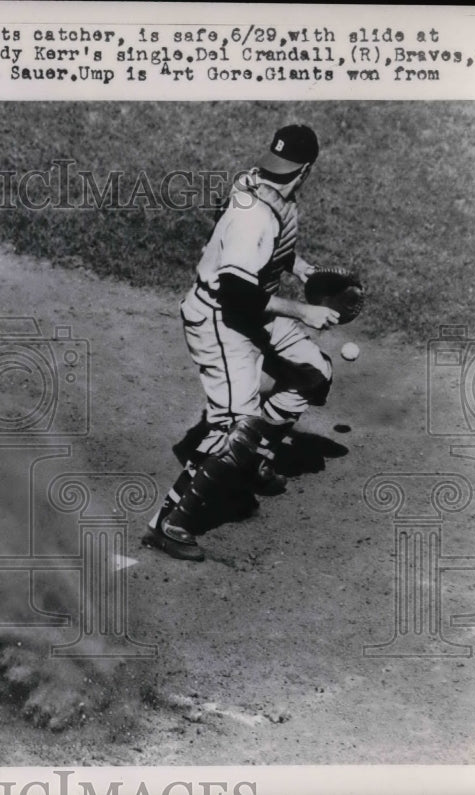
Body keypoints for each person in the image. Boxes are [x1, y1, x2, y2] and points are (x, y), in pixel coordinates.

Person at [144, 124, 339, 562]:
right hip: (221, 317)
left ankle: (256, 458)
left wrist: (302, 269)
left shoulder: (263, 187)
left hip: (253, 311)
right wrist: (304, 311)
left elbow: (265, 247)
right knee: (233, 428)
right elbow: (235, 289)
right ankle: (168, 523)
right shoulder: (254, 213)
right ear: (307, 170)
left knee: (312, 373)